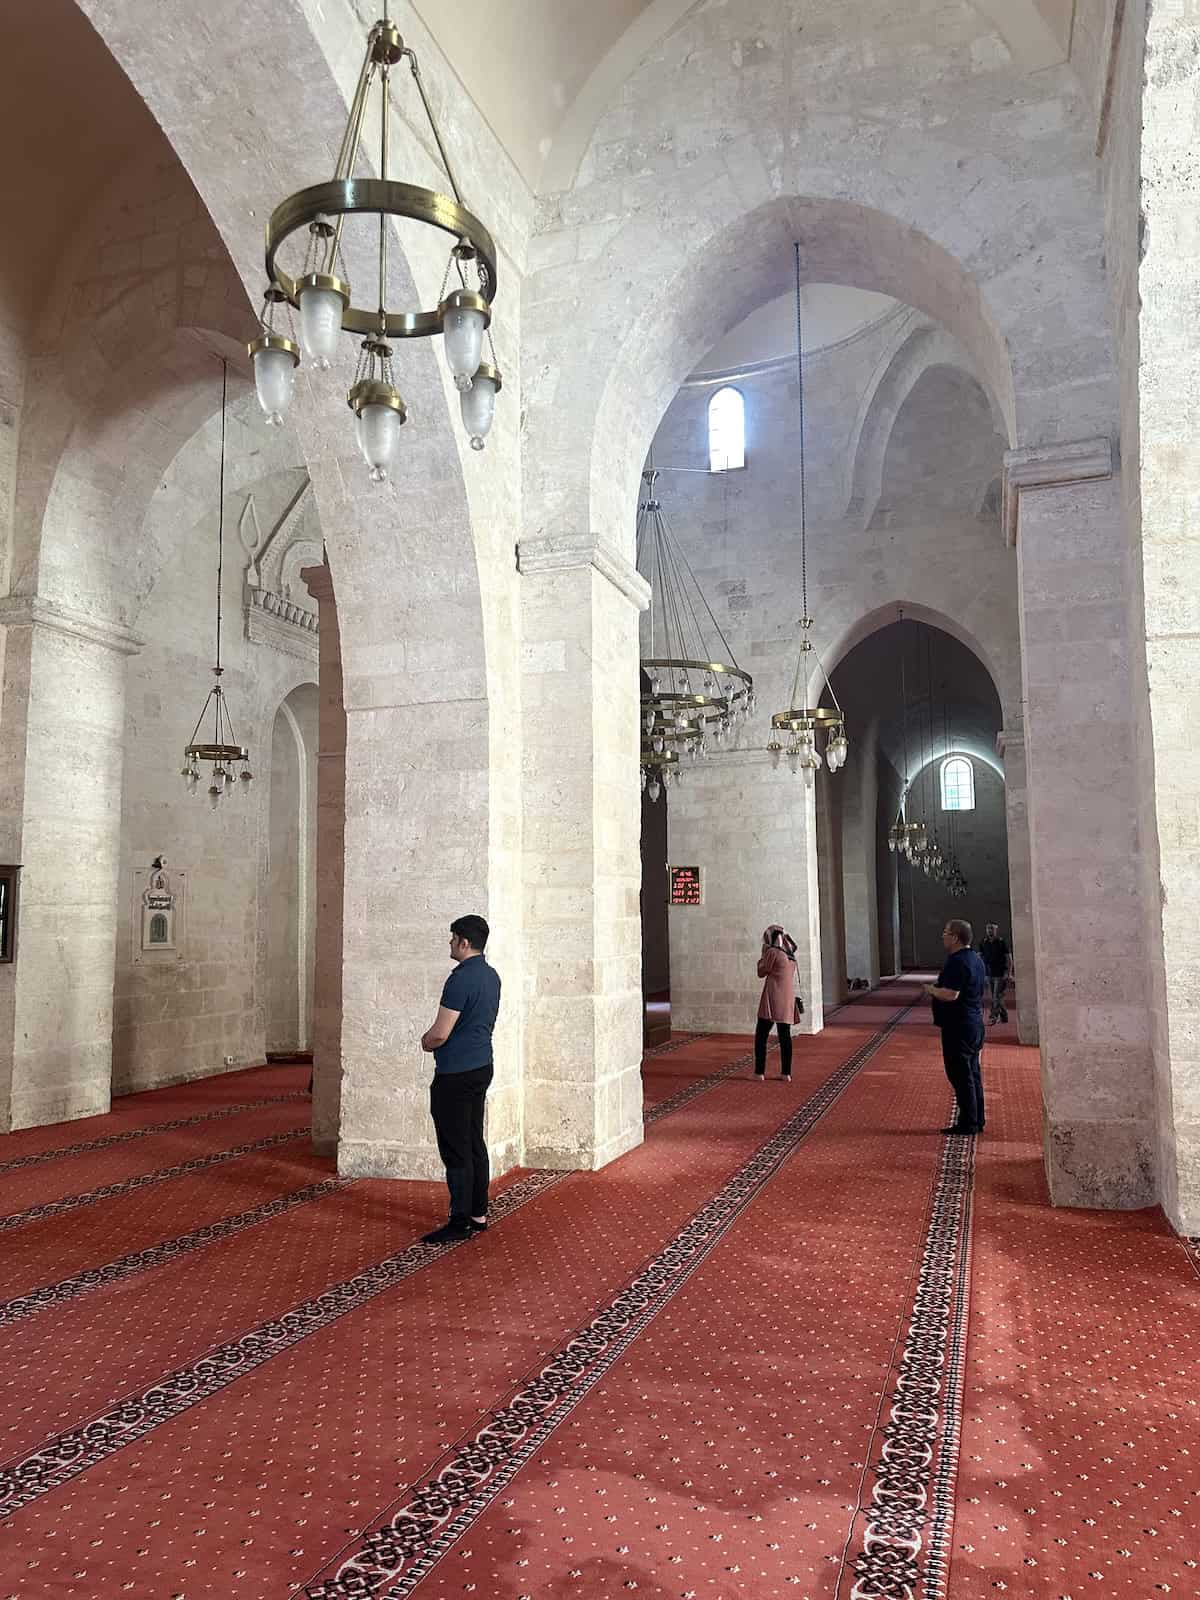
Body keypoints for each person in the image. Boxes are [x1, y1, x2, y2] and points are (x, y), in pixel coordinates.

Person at [418, 914, 501, 1244]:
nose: (450, 944)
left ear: (464, 942)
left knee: (455, 1148)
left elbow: (440, 1033)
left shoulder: (460, 979)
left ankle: (459, 1220)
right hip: (481, 1066)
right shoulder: (491, 976)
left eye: (453, 939)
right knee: (473, 1140)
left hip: (455, 1072)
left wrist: (426, 1041)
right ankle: (478, 1213)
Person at [925, 918, 987, 1136]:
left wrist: (931, 990)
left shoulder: (957, 961)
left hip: (959, 1026)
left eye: (945, 932)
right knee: (972, 1073)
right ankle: (977, 1118)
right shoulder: (976, 959)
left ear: (955, 937)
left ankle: (968, 1123)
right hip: (973, 1023)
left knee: (961, 1075)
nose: (942, 936)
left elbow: (951, 994)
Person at [755, 924, 799, 1082]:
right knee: (785, 1036)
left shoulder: (773, 952)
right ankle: (786, 1073)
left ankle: (759, 1072)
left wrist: (763, 954)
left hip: (772, 999)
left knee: (761, 1036)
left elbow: (761, 971)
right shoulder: (790, 954)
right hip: (787, 999)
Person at [978, 922, 1011, 1025]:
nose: (989, 930)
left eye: (992, 929)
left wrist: (1009, 973)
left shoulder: (1001, 942)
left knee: (996, 996)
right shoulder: (983, 942)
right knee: (995, 997)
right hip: (988, 974)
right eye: (988, 929)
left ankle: (993, 1017)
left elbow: (1008, 959)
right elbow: (979, 957)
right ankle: (1004, 1016)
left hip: (1000, 974)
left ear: (996, 930)